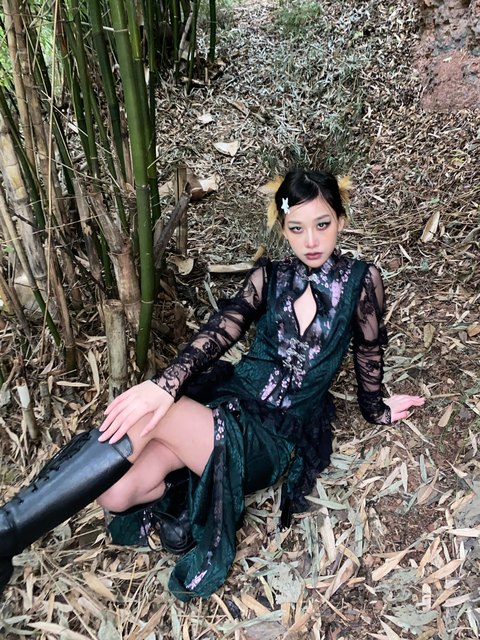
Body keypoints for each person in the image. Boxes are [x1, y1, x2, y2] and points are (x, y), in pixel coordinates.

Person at [0, 168, 424, 602]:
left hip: (271, 436)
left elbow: (369, 350)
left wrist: (377, 408)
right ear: (283, 229)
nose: (311, 240)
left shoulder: (361, 280)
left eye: (322, 224)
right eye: (297, 228)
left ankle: (8, 529)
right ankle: (185, 489)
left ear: (341, 221)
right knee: (116, 494)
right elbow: (221, 330)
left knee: (157, 410)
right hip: (229, 401)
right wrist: (168, 383)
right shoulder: (271, 276)